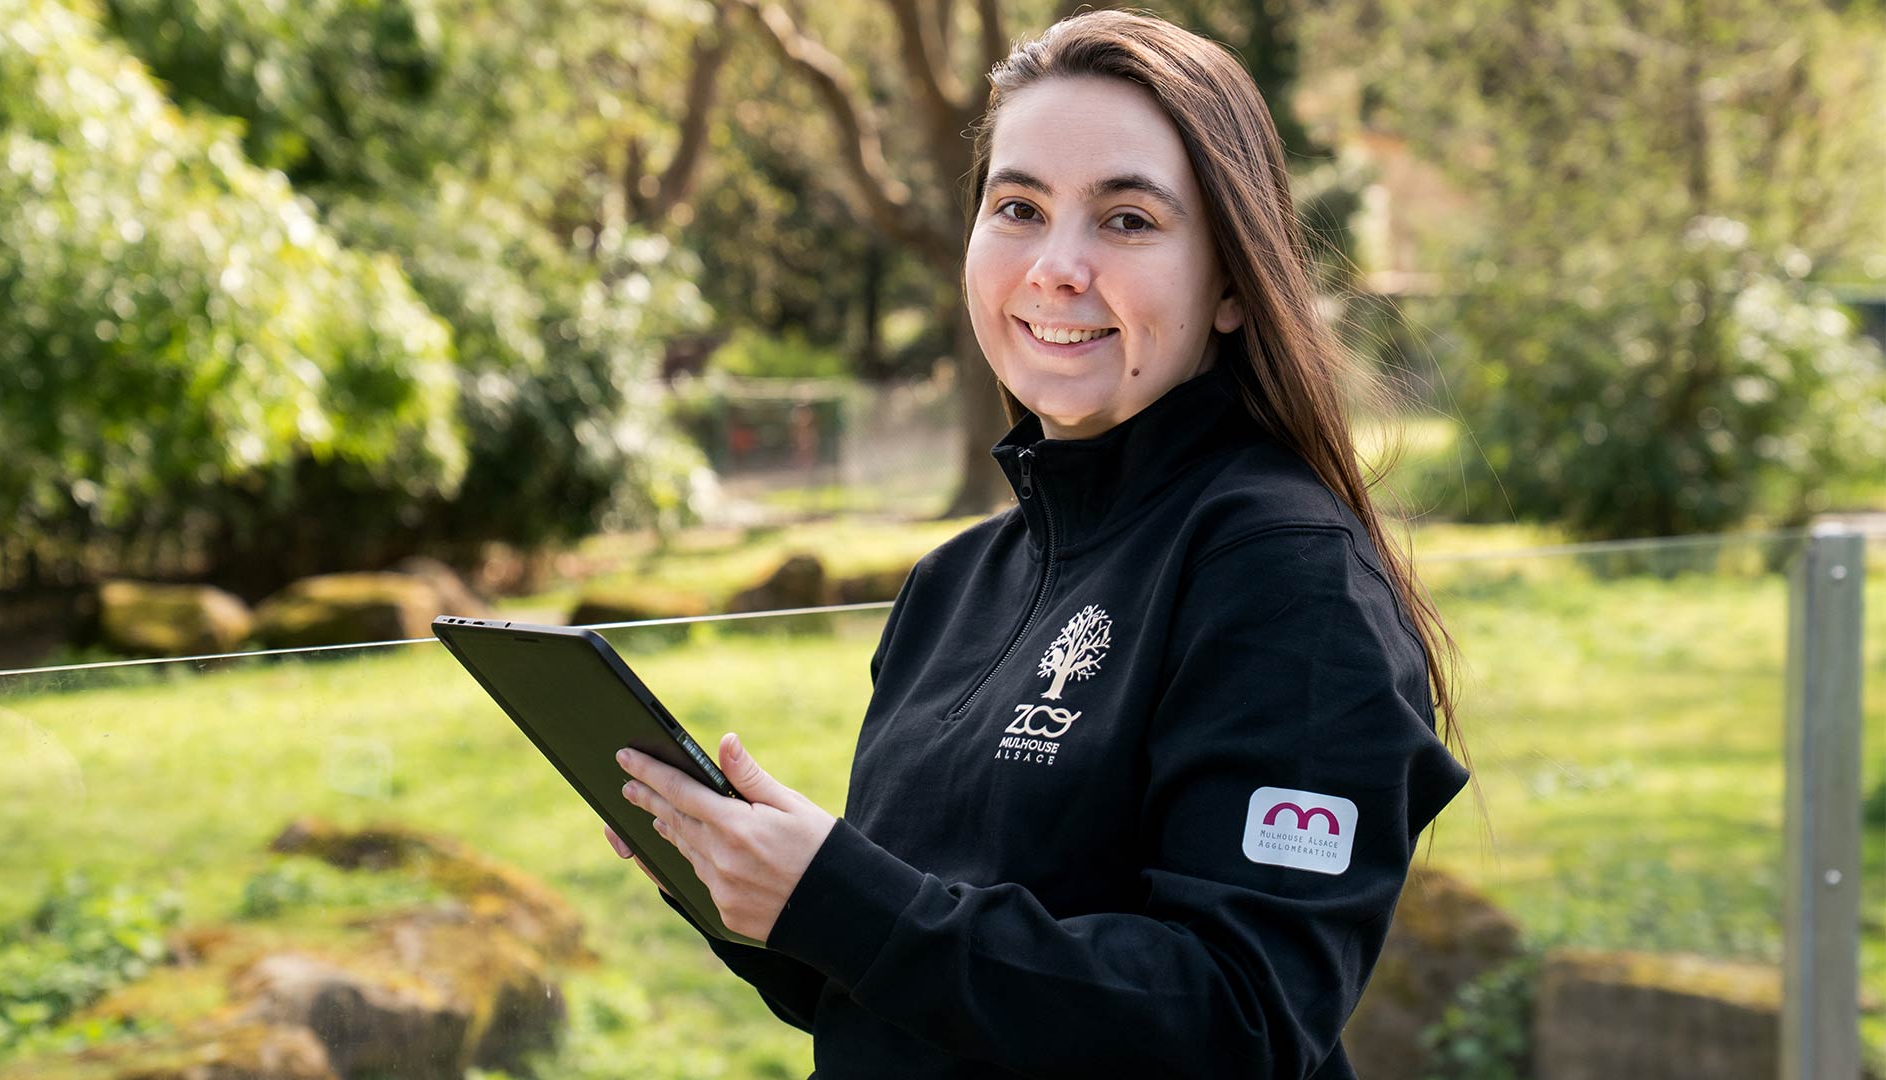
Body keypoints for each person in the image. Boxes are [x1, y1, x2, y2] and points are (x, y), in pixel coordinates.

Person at [608, 10, 1474, 1076]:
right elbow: (906, 996)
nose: (1057, 266)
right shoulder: (954, 585)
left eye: (1127, 220)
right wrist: (750, 881)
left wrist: (849, 901)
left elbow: (1238, 1021)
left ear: (1233, 285)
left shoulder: (1288, 575)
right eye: (1018, 208)